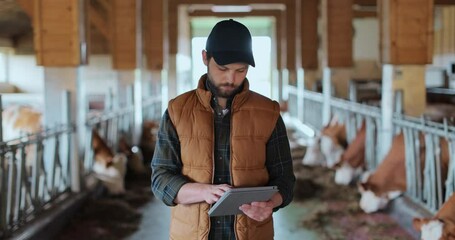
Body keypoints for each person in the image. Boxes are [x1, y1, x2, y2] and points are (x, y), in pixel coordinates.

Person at [151, 19, 295, 240]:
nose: (231, 78)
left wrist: (271, 203)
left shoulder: (269, 113)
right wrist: (204, 191)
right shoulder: (177, 111)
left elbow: (285, 179)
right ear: (205, 58)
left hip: (252, 233)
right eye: (223, 68)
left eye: (241, 70)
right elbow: (160, 179)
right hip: (191, 234)